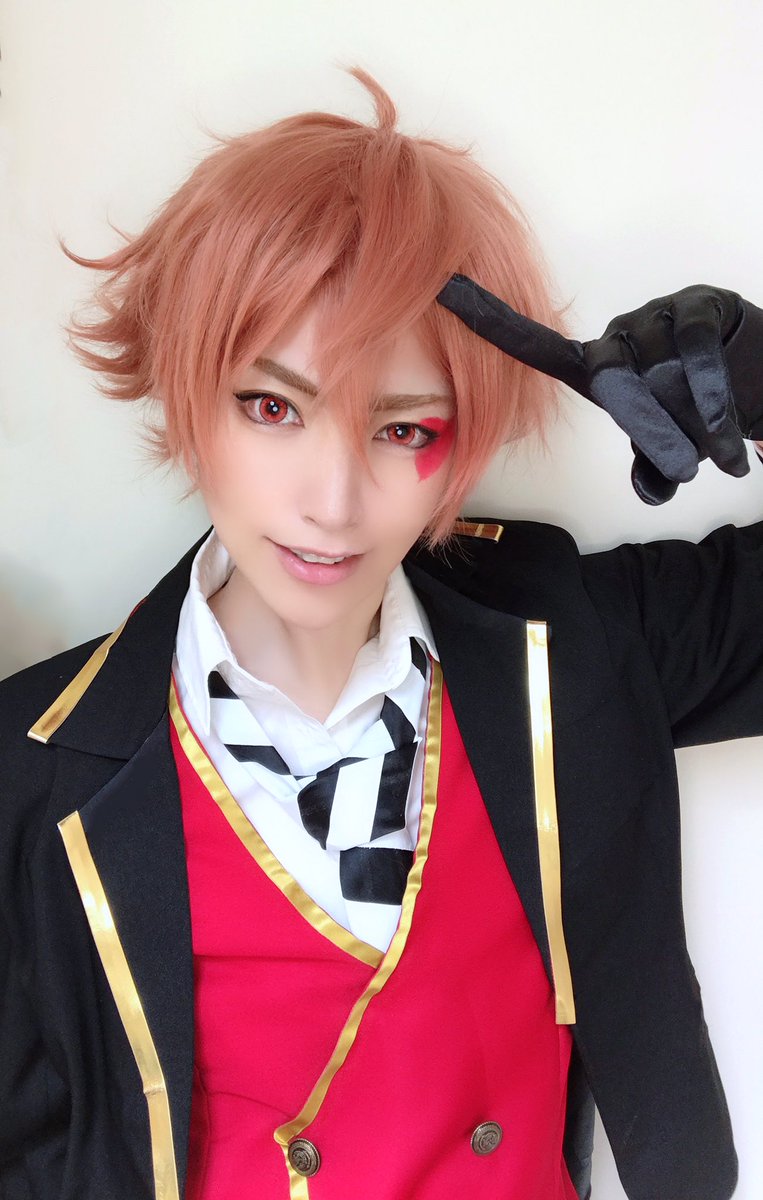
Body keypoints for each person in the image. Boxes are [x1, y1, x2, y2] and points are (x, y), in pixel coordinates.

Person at [0, 68, 760, 1200]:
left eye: (403, 428)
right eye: (272, 407)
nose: (333, 501)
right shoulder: (29, 765)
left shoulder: (583, 644)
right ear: (188, 397)